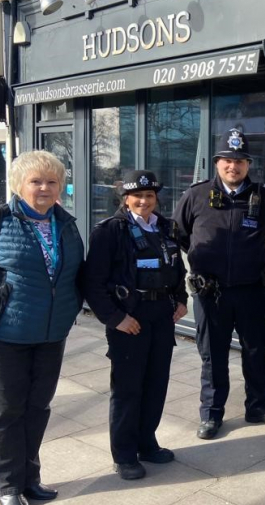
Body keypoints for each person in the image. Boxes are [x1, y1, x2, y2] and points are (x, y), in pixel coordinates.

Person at [0, 150, 85, 505]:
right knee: (6, 413)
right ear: (18, 185)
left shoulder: (66, 224)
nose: (44, 188)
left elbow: (76, 276)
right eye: (35, 181)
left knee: (37, 409)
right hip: (5, 336)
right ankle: (7, 487)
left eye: (52, 181)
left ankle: (30, 480)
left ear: (61, 187)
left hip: (51, 335)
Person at [173, 128, 265, 440]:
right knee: (213, 355)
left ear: (248, 165)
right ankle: (211, 414)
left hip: (251, 290)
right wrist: (202, 261)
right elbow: (179, 236)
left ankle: (258, 406)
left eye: (240, 161)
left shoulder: (263, 198)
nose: (233, 166)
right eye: (227, 160)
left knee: (256, 351)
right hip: (212, 293)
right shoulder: (195, 195)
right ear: (217, 162)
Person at [84, 170, 188, 480]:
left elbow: (176, 267)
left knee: (156, 384)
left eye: (150, 196)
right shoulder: (110, 231)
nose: (144, 201)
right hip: (129, 318)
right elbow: (93, 282)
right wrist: (116, 319)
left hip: (162, 316)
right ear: (126, 199)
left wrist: (181, 299)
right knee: (128, 389)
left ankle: (147, 442)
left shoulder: (166, 228)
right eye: (137, 196)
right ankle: (125, 454)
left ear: (157, 199)